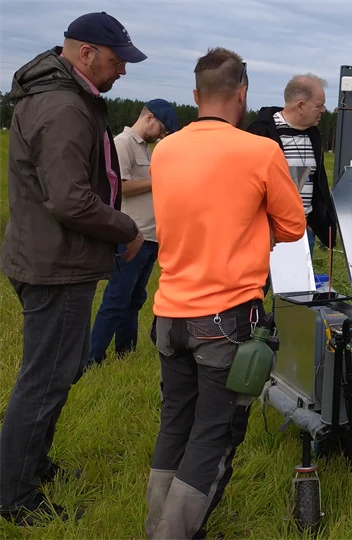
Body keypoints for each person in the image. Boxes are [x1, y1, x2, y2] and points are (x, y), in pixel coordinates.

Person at [144, 47, 306, 540]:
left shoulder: (164, 150)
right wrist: (253, 227)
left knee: (175, 423)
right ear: (242, 94)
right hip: (225, 321)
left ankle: (157, 525)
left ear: (195, 96)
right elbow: (294, 226)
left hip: (168, 315)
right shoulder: (260, 151)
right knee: (213, 436)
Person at [0, 11, 147, 525]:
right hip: (54, 263)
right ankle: (16, 497)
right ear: (85, 53)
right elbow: (69, 199)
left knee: (53, 374)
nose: (122, 72)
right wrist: (126, 229)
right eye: (116, 60)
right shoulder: (63, 105)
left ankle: (31, 465)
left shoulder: (63, 95)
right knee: (45, 379)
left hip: (52, 255)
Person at [87, 99, 179, 369]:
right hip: (131, 236)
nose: (162, 134)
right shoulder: (122, 143)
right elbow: (121, 187)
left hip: (151, 237)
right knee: (116, 299)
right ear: (149, 117)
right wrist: (160, 179)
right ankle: (92, 358)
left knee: (134, 300)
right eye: (161, 127)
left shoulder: (148, 150)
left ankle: (125, 352)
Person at [247, 73, 337, 259]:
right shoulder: (260, 133)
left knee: (300, 287)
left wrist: (313, 221)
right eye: (319, 106)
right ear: (301, 105)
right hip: (268, 234)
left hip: (304, 231)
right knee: (260, 287)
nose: (323, 111)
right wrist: (266, 226)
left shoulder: (314, 134)